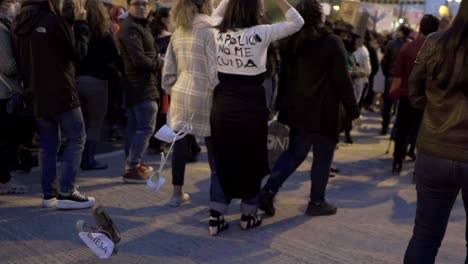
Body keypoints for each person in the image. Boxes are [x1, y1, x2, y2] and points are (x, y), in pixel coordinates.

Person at [209, 0, 304, 235]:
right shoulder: (261, 33)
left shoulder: (218, 32)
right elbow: (297, 21)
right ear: (253, 9)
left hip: (223, 104)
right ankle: (247, 215)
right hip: (251, 105)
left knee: (222, 159)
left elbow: (214, 15)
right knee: (252, 158)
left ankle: (215, 217)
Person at [258, 0, 359, 217]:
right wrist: (354, 111)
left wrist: (279, 105)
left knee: (294, 154)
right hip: (325, 112)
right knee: (323, 158)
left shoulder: (291, 42)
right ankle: (316, 201)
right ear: (320, 17)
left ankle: (268, 190)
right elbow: (343, 81)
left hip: (298, 110)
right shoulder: (332, 42)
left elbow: (283, 77)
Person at [12, 0, 94, 209]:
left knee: (48, 145)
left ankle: (49, 195)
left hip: (35, 93)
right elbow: (79, 54)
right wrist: (81, 23)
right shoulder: (53, 20)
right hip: (62, 92)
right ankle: (67, 192)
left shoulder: (17, 23)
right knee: (76, 138)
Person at [404, 1, 468, 262]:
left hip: (433, 149)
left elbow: (415, 92)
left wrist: (436, 112)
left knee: (425, 236)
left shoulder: (434, 42)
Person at [162, 0, 217, 207]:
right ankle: (217, 195)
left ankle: (177, 194)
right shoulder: (210, 32)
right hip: (205, 95)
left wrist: (171, 89)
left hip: (181, 93)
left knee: (180, 146)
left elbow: (168, 71)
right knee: (213, 146)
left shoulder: (178, 32)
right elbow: (215, 71)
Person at [388, 15, 439, 175]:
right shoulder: (439, 51)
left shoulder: (408, 48)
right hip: (427, 99)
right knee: (422, 132)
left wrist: (393, 92)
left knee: (402, 128)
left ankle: (397, 161)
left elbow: (398, 74)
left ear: (420, 28)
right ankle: (418, 166)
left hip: (406, 95)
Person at [77, 0, 123, 170]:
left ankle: (79, 157)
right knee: (95, 123)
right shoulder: (104, 32)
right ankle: (89, 159)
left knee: (81, 122)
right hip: (98, 80)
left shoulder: (76, 29)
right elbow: (115, 55)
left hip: (76, 79)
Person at [118, 0, 160, 183]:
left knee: (135, 128)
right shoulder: (131, 28)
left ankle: (134, 163)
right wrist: (160, 62)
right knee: (145, 128)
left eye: (145, 3)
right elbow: (138, 59)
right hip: (140, 85)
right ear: (129, 6)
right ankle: (132, 168)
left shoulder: (140, 25)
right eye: (137, 3)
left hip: (140, 84)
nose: (142, 7)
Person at [0, 0, 28, 195]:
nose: (14, 4)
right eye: (10, 1)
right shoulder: (1, 29)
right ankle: (4, 181)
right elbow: (8, 66)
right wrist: (27, 65)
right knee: (6, 139)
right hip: (5, 93)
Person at [380, 25, 411, 135]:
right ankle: (396, 130)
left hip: (391, 77)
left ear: (400, 32)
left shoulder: (391, 44)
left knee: (387, 104)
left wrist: (387, 73)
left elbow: (384, 62)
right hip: (405, 79)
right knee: (400, 105)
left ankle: (384, 127)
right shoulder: (410, 45)